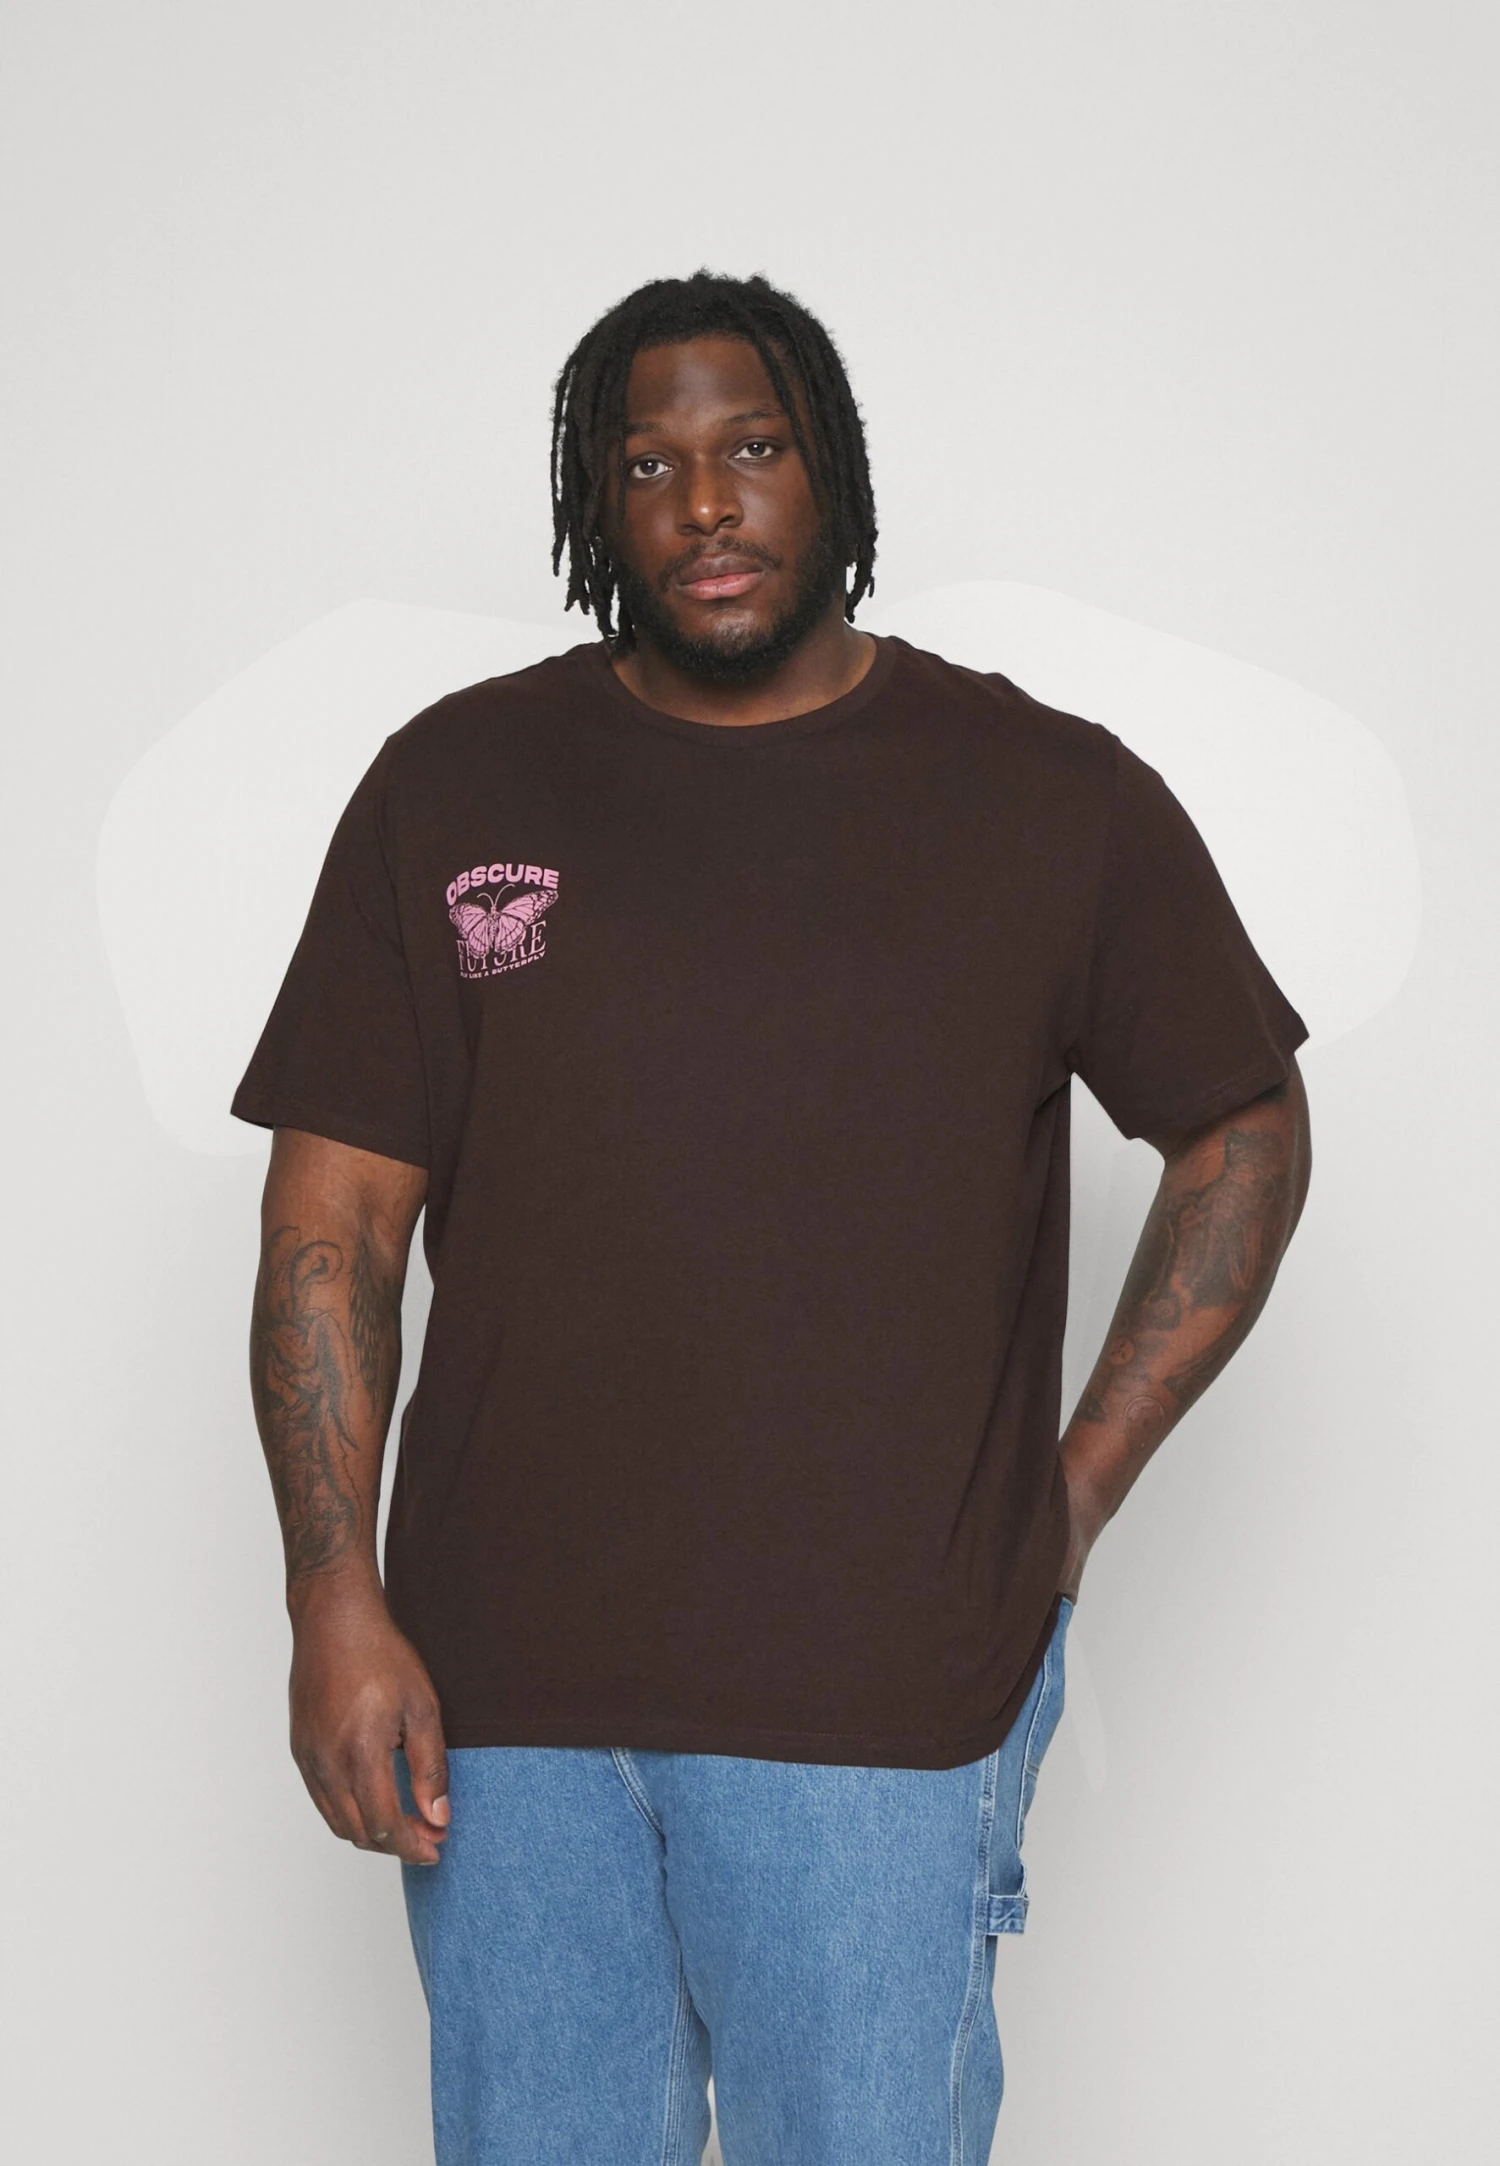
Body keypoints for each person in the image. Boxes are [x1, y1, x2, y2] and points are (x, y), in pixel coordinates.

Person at [233, 270, 1312, 2166]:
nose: (706, 503)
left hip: (881, 1705)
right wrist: (332, 1589)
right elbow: (333, 1232)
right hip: (505, 1715)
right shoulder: (451, 787)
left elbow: (1244, 1128)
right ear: (597, 500)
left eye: (752, 447)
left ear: (834, 472)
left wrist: (1073, 1488)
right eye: (648, 464)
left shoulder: (1043, 799)